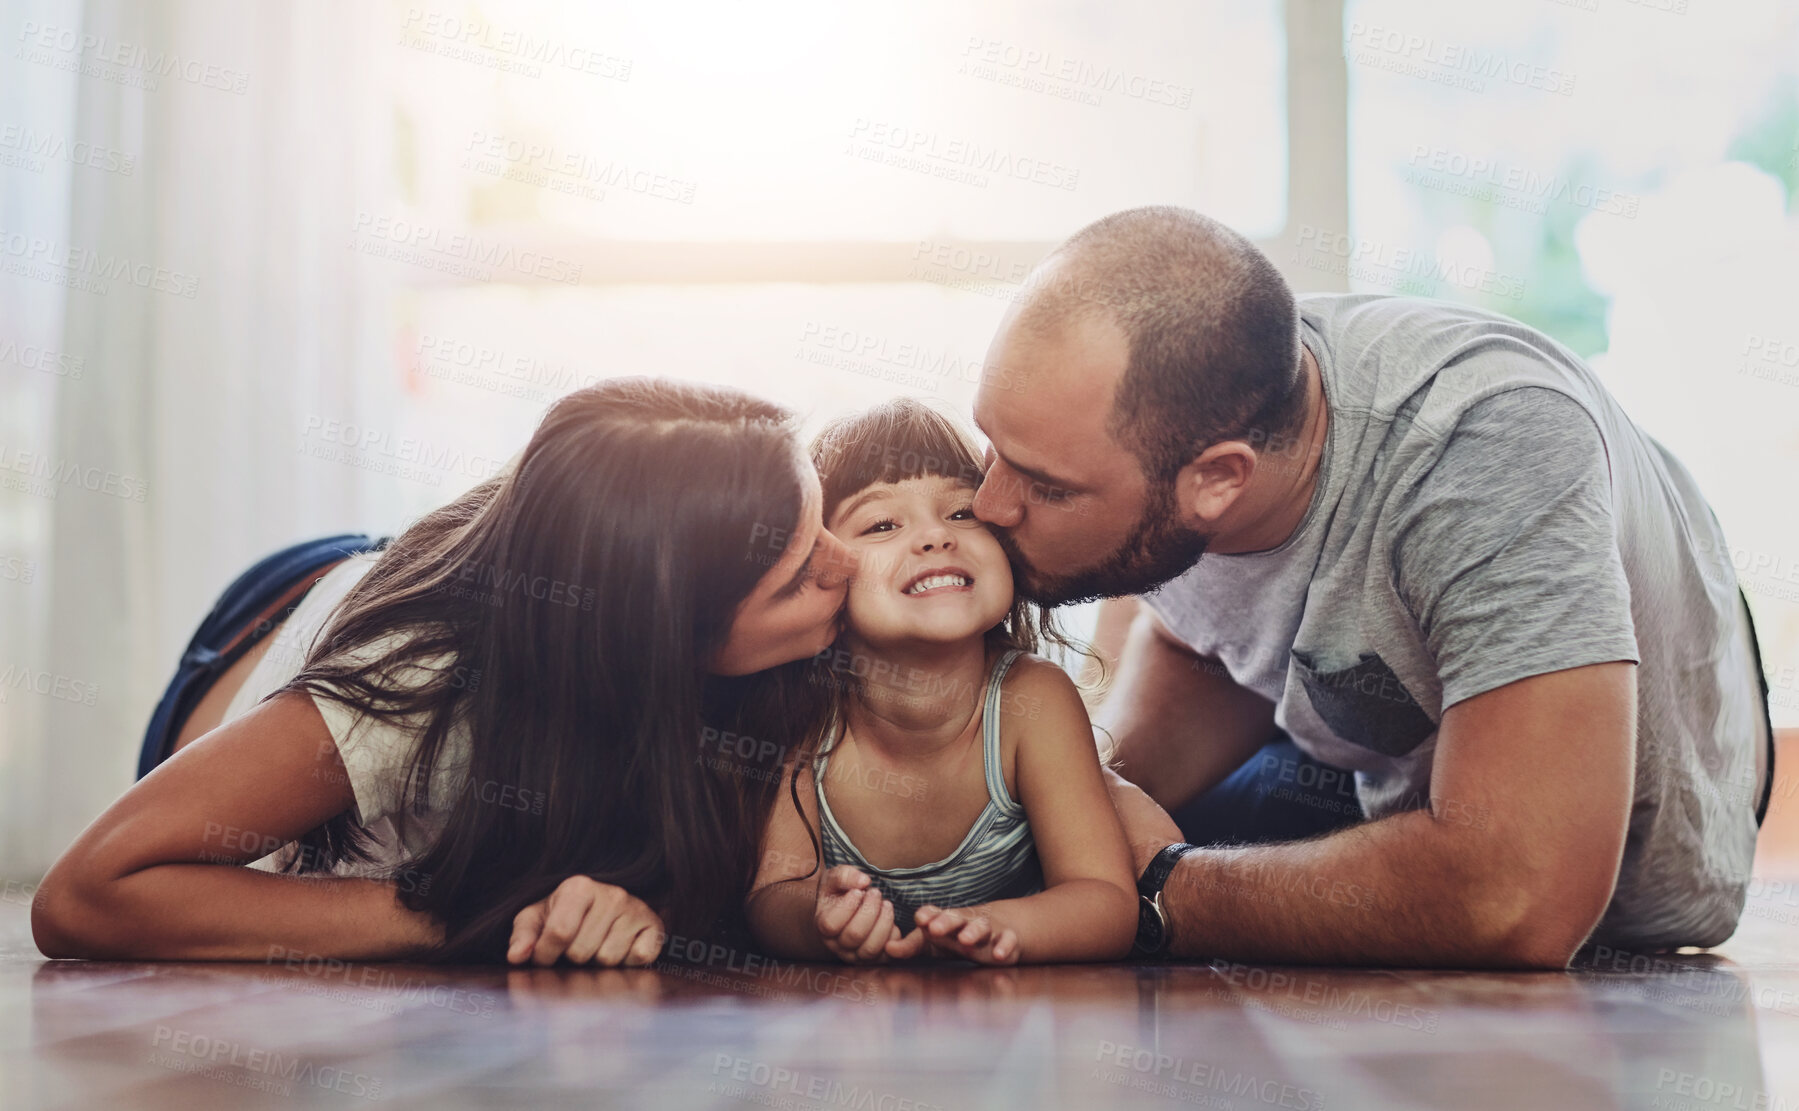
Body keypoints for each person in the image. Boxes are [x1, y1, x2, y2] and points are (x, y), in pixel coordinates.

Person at [968, 206, 1775, 968]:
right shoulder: (1193, 390)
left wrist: (1150, 889)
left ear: (1219, 479)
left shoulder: (1489, 445)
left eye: (1046, 485)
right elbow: (1198, 644)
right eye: (992, 446)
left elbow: (1519, 896)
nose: (989, 504)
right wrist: (1073, 797)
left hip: (1617, 863)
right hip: (1363, 756)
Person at [32, 378, 858, 965]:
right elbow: (85, 895)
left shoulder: (670, 626)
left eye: (823, 524)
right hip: (266, 633)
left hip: (421, 563)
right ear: (657, 636)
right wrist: (480, 914)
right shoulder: (414, 689)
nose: (845, 563)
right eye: (798, 576)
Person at [746, 400, 1137, 965]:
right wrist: (818, 919)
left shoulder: (1031, 701)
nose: (935, 538)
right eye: (882, 524)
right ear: (823, 569)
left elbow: (1105, 902)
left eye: (960, 514)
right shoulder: (803, 711)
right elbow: (769, 898)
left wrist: (1001, 926)